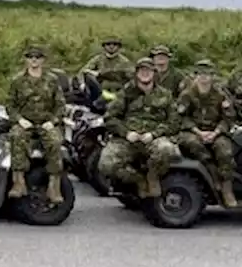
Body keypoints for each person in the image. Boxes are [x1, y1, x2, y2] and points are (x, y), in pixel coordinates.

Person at [98, 58, 179, 198]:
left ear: (154, 73)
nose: (145, 73)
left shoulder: (165, 94)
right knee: (106, 164)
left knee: (168, 150)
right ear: (136, 73)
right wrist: (126, 133)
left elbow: (174, 121)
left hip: (154, 138)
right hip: (129, 139)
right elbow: (110, 118)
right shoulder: (126, 93)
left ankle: (152, 176)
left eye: (148, 70)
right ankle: (138, 180)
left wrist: (154, 134)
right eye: (142, 70)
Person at [4, 46, 66, 203]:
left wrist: (52, 122)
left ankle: (54, 186)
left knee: (55, 141)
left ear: (43, 60)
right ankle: (18, 182)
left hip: (46, 122)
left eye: (37, 57)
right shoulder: (17, 80)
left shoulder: (52, 80)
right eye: (30, 57)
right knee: (16, 137)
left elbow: (60, 105)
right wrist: (19, 120)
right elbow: (10, 105)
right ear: (26, 60)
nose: (34, 60)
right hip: (25, 122)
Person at [175, 60, 237, 207]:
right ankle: (213, 175)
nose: (204, 78)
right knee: (192, 144)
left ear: (212, 76)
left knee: (225, 150)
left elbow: (228, 118)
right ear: (195, 76)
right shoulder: (187, 94)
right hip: (193, 131)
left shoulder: (220, 95)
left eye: (207, 74)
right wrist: (198, 132)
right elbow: (180, 117)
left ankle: (227, 189)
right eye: (200, 74)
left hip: (216, 131)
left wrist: (216, 133)